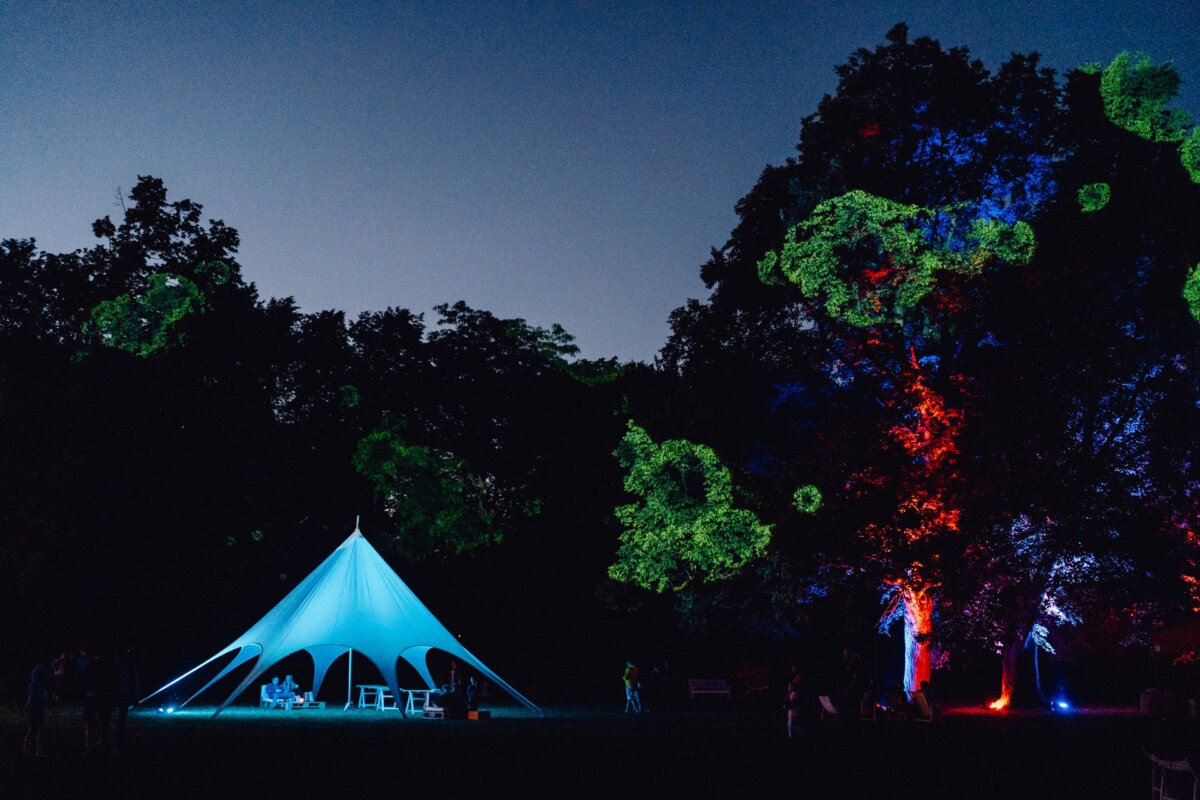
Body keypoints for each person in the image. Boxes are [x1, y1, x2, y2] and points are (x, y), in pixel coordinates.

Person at [24, 663, 50, 758]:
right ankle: (38, 751)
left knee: (33, 728)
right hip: (36, 708)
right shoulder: (38, 684)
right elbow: (42, 696)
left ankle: (27, 748)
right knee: (39, 729)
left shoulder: (34, 683)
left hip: (32, 708)